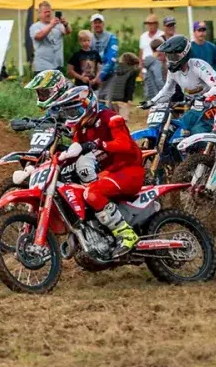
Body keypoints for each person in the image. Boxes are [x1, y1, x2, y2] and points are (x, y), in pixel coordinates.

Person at [47, 85, 144, 255]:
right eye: (69, 112)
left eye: (75, 110)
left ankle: (126, 234)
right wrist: (58, 159)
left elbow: (125, 145)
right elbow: (77, 151)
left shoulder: (112, 119)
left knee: (92, 193)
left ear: (88, 104)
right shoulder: (81, 130)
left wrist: (98, 144)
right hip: (106, 173)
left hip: (128, 170)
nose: (72, 115)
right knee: (77, 189)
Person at [141, 35, 216, 135]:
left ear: (184, 54)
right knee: (176, 129)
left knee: (197, 131)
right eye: (168, 57)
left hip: (213, 107)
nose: (170, 61)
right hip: (194, 109)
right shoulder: (173, 72)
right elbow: (167, 90)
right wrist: (152, 101)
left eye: (173, 57)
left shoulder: (198, 66)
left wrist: (205, 97)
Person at [29, 2, 71, 73]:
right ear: (40, 14)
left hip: (57, 65)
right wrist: (51, 25)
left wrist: (65, 24)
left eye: (49, 11)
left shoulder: (58, 24)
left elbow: (68, 32)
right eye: (45, 12)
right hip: (42, 66)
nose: (48, 14)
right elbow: (39, 36)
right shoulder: (35, 26)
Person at [89, 14, 119, 104]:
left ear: (103, 24)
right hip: (95, 77)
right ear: (92, 24)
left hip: (110, 75)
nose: (97, 25)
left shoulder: (111, 38)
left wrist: (101, 75)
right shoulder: (90, 39)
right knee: (96, 103)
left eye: (99, 22)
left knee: (109, 102)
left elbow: (112, 59)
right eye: (95, 23)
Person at [110, 52, 140, 120]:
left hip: (112, 98)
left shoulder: (115, 69)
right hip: (123, 99)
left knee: (113, 119)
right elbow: (130, 86)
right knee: (123, 120)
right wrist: (129, 99)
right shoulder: (132, 72)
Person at [142, 37, 166, 102]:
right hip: (157, 95)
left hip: (149, 93)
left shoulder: (149, 62)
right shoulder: (156, 62)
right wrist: (165, 92)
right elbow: (158, 79)